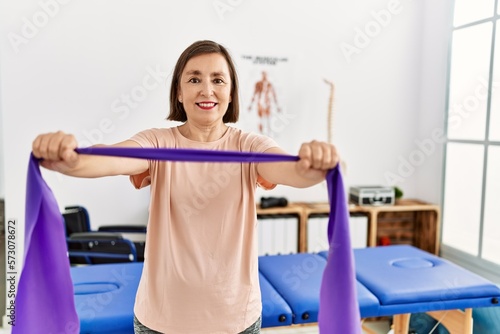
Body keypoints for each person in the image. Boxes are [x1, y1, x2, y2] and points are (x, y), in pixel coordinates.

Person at [32, 40, 339, 334]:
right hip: (161, 322)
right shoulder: (157, 143)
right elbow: (109, 158)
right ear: (178, 93)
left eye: (218, 80)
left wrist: (315, 164)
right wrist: (68, 158)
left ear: (231, 94)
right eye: (194, 80)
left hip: (236, 321)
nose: (207, 90)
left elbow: (293, 171)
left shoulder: (250, 146)